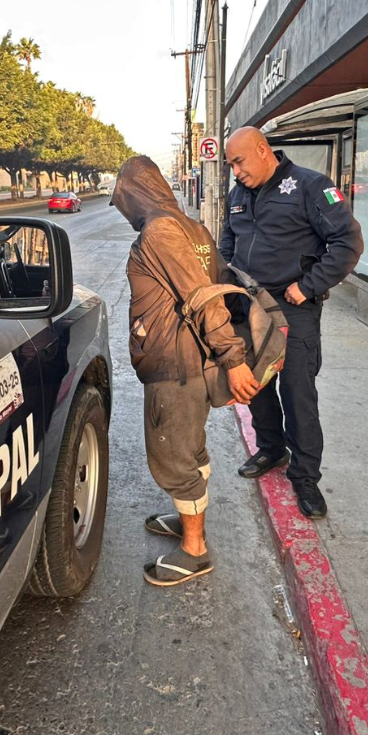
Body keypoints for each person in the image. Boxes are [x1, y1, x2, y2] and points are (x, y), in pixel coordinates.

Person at [110, 155, 259, 587]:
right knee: (191, 448)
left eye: (123, 200)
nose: (124, 210)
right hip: (194, 362)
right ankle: (186, 520)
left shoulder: (159, 229)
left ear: (135, 193)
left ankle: (195, 549)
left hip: (174, 366)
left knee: (174, 458)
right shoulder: (192, 227)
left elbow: (202, 296)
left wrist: (233, 360)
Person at [220, 126, 364, 519]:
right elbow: (227, 243)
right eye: (230, 164)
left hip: (294, 308)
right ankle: (270, 448)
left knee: (297, 392)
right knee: (257, 385)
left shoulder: (310, 186)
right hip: (249, 309)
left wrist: (309, 285)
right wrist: (227, 285)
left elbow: (348, 243)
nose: (235, 171)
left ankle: (305, 478)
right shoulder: (238, 195)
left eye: (239, 161)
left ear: (263, 150)